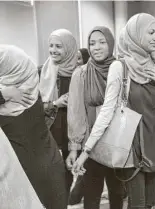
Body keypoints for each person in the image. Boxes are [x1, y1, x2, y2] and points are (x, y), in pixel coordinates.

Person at [72, 13, 155, 209]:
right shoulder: (121, 67)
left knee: (150, 204)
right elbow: (107, 110)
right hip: (132, 150)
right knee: (137, 204)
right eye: (151, 32)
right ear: (136, 35)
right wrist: (86, 151)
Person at [0, 44, 67, 209]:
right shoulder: (33, 93)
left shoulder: (6, 108)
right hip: (50, 168)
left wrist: (4, 94)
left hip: (25, 179)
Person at [66, 26, 125, 209]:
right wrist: (75, 148)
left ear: (111, 44)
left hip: (117, 142)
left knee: (117, 192)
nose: (96, 47)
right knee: (92, 193)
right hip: (90, 144)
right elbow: (76, 112)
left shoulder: (121, 69)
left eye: (102, 42)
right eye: (92, 43)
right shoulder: (81, 74)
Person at [39, 28, 78, 198]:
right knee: (48, 170)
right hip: (49, 126)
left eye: (59, 46)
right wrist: (55, 103)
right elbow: (33, 106)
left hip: (71, 128)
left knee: (68, 168)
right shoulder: (42, 71)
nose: (53, 50)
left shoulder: (79, 73)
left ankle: (65, 198)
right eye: (51, 45)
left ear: (69, 48)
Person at [68, 47, 90, 206]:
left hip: (88, 131)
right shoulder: (76, 74)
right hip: (77, 130)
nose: (76, 62)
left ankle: (75, 196)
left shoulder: (85, 75)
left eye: (79, 59)